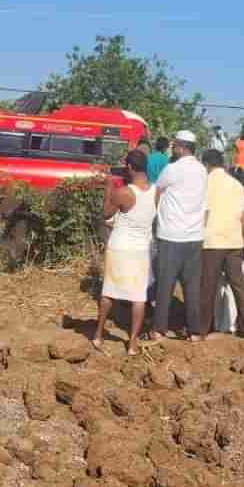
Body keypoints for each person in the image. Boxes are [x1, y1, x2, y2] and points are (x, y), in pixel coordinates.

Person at [92, 149, 156, 354]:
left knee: (109, 293)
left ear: (129, 167)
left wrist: (109, 186)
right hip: (141, 248)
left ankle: (98, 335)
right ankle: (132, 344)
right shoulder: (156, 191)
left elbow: (105, 214)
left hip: (120, 247)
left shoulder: (124, 193)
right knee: (138, 297)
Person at [150, 131, 208, 341]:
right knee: (191, 286)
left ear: (181, 147)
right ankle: (194, 331)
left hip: (171, 235)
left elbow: (156, 193)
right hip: (194, 235)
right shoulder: (202, 170)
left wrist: (157, 218)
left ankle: (159, 329)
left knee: (165, 284)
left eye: (175, 145)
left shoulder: (172, 169)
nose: (172, 148)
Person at [199, 149, 244, 339]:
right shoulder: (237, 185)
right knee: (239, 285)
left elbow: (204, 213)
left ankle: (203, 329)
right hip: (234, 240)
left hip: (212, 240)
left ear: (206, 164)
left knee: (208, 286)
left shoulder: (205, 183)